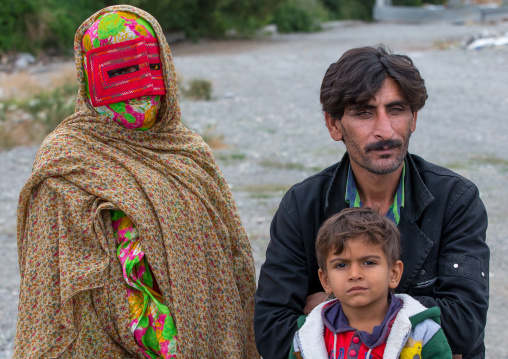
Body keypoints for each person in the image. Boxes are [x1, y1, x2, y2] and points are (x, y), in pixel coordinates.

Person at [15, 5, 258, 358]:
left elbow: (231, 257)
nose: (141, 86)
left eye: (152, 68)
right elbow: (50, 293)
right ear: (89, 75)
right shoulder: (65, 160)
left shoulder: (188, 151)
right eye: (121, 70)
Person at [255, 45, 489, 359]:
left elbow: (465, 325)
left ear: (414, 118)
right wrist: (418, 321)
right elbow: (271, 331)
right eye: (364, 112)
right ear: (333, 124)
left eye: (396, 109)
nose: (384, 130)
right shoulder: (302, 205)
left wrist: (329, 308)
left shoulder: (455, 200)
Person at [290, 207, 452, 359]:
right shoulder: (306, 336)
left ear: (393, 273)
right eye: (341, 265)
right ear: (325, 280)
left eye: (368, 263)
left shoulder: (423, 334)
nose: (354, 274)